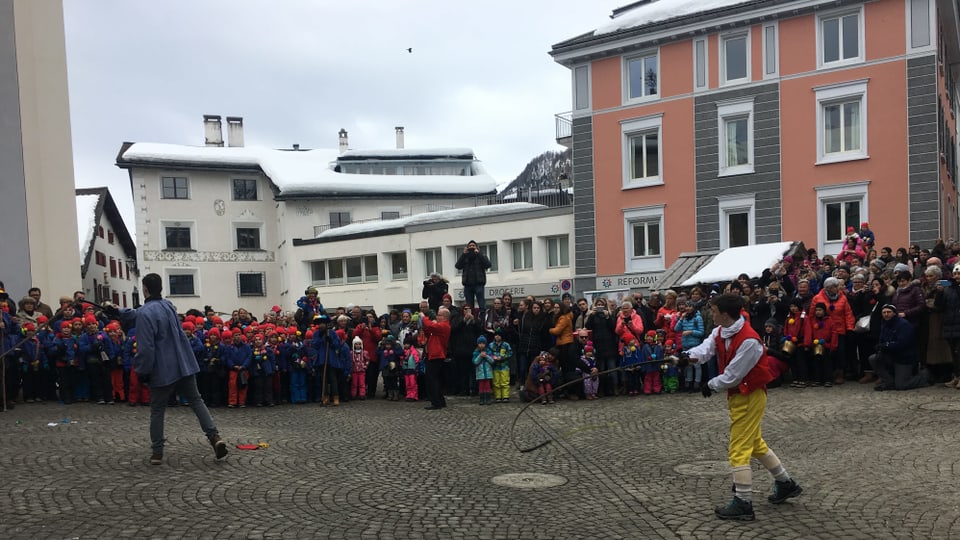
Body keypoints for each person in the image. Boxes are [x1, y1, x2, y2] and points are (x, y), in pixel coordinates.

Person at [683, 294, 801, 521]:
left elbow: (733, 376)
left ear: (725, 314)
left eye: (714, 310)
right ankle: (785, 483)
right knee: (755, 444)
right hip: (739, 396)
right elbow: (705, 350)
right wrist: (685, 357)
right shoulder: (721, 331)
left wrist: (710, 384)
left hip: (750, 395)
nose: (711, 314)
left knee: (738, 450)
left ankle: (743, 503)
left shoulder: (749, 341)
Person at [110, 274, 227, 465]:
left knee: (157, 409)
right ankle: (215, 437)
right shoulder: (168, 306)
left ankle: (157, 452)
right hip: (183, 363)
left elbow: (146, 347)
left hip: (162, 367)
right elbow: (139, 313)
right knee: (197, 401)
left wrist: (142, 370)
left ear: (145, 289)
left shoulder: (146, 313)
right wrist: (117, 311)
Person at [420, 307, 452, 410]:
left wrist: (424, 318)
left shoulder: (444, 326)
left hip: (436, 355)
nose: (437, 317)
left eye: (439, 315)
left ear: (444, 317)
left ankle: (436, 402)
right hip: (433, 354)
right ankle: (439, 401)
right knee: (435, 379)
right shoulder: (440, 326)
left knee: (432, 379)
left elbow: (430, 325)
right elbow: (428, 329)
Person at [455, 240, 491, 313]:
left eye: (473, 246)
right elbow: (458, 266)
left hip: (479, 284)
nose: (471, 247)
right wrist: (463, 254)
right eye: (470, 246)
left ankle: (482, 319)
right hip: (468, 285)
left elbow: (488, 265)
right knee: (469, 305)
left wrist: (479, 254)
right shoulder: (465, 257)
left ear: (477, 247)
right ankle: (471, 320)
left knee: (481, 304)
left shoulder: (481, 255)